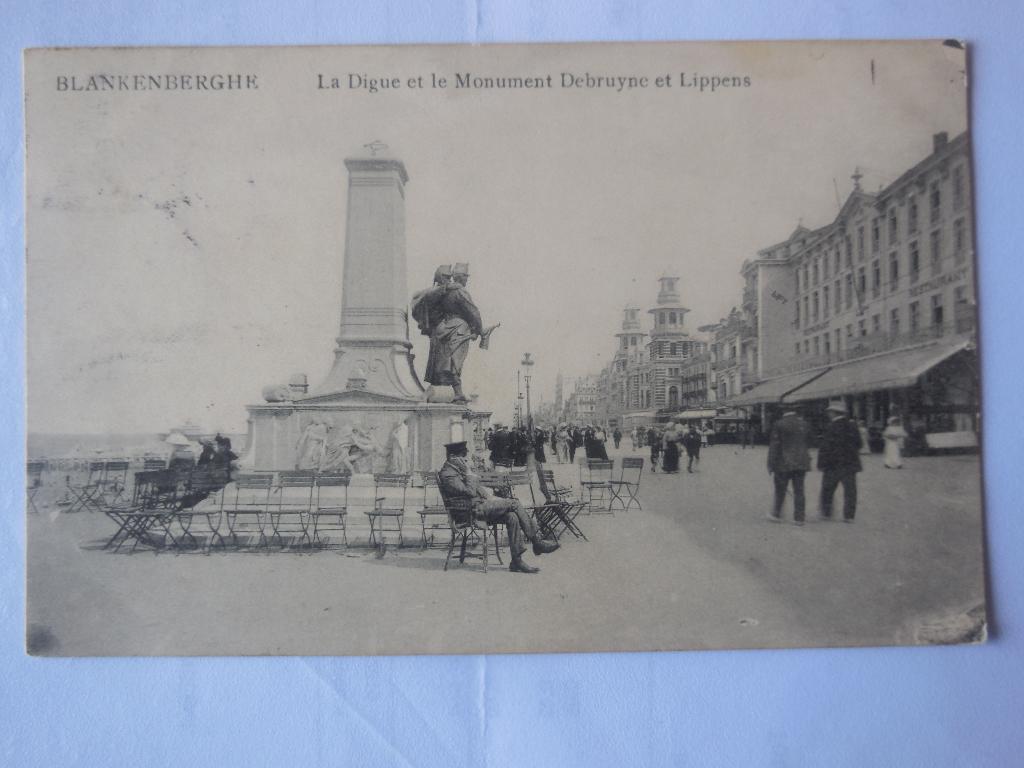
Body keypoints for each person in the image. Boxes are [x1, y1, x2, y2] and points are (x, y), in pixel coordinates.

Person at [437, 441, 559, 573]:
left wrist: (495, 500)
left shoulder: (457, 469)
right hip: (468, 512)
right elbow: (470, 492)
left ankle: (516, 561)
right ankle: (537, 542)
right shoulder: (448, 474)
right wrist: (469, 474)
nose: (466, 460)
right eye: (463, 457)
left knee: (512, 516)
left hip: (478, 507)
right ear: (454, 457)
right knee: (514, 503)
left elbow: (479, 491)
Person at [818, 400, 863, 523]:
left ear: (833, 413)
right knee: (850, 491)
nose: (828, 414)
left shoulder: (830, 427)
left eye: (830, 412)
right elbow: (859, 444)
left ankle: (826, 514)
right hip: (850, 464)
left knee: (827, 489)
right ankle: (849, 516)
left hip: (832, 464)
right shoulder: (852, 426)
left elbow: (825, 447)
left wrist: (821, 463)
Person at [766, 409, 811, 525]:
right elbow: (809, 442)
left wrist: (771, 464)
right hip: (801, 462)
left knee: (780, 490)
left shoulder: (779, 424)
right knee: (799, 490)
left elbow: (774, 446)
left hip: (783, 463)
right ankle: (799, 518)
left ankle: (776, 514)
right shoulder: (804, 424)